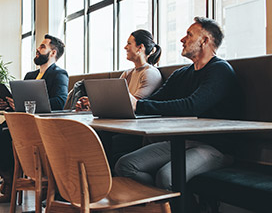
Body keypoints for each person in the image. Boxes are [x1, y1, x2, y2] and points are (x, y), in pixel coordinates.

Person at [115, 17, 242, 192]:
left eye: (189, 35)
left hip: (215, 147)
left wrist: (139, 105)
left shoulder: (220, 70)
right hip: (181, 141)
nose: (182, 39)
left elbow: (192, 106)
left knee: (166, 176)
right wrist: (127, 104)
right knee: (125, 165)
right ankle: (159, 205)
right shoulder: (181, 74)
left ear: (205, 41)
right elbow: (154, 101)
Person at [0, 34, 68, 203]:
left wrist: (24, 103)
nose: (38, 49)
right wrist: (9, 104)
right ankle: (9, 175)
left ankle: (11, 178)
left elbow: (60, 102)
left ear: (53, 53)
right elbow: (21, 104)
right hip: (14, 123)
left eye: (42, 47)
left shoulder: (59, 74)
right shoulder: (30, 75)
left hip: (34, 128)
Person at [75, 29, 163, 167]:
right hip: (119, 126)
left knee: (98, 136)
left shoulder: (151, 73)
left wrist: (99, 103)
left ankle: (99, 179)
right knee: (85, 133)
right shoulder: (127, 73)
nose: (125, 47)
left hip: (135, 131)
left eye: (129, 43)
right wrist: (91, 105)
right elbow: (116, 103)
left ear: (140, 48)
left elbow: (134, 106)